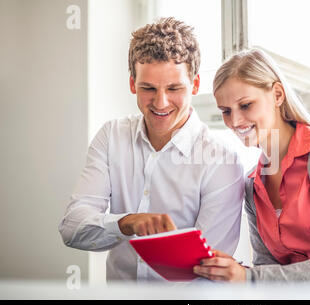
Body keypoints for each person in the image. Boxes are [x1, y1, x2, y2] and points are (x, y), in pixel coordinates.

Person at [59, 17, 244, 282]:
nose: (161, 102)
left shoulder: (222, 160)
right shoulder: (111, 137)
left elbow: (208, 269)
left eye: (174, 88)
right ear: (133, 84)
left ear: (195, 84)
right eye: (148, 88)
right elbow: (72, 229)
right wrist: (126, 223)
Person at [193, 48, 310, 282]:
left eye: (245, 105)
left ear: (277, 95)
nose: (234, 121)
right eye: (226, 111)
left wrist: (250, 279)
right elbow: (268, 268)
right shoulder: (252, 185)